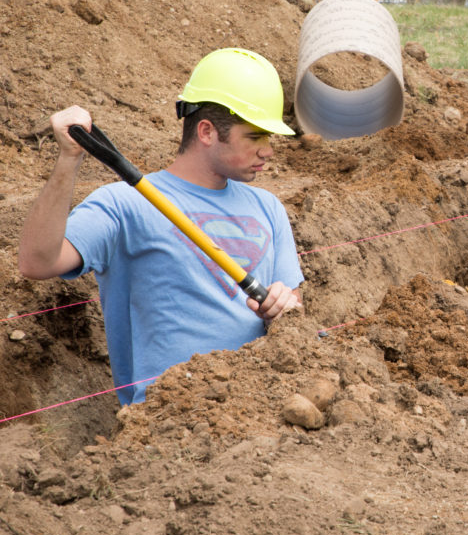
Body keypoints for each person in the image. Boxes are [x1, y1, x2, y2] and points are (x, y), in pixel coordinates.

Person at [17, 48, 304, 406]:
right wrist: (67, 159)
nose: (268, 151)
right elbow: (37, 263)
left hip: (261, 412)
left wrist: (284, 306)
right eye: (256, 137)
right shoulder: (125, 204)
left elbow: (295, 318)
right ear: (207, 131)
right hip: (168, 424)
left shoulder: (269, 208)